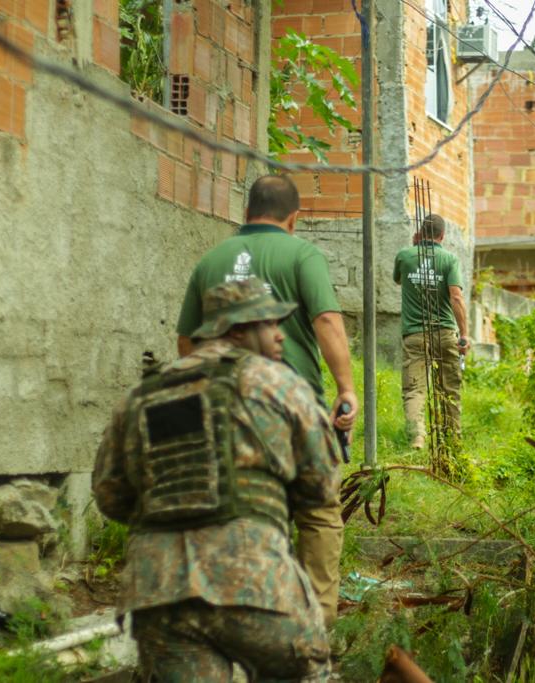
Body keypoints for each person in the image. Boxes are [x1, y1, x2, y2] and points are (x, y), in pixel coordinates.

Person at [93, 278, 340, 682]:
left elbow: (110, 496)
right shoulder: (277, 384)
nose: (280, 335)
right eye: (269, 323)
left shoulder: (140, 396)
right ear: (238, 330)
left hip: (160, 592)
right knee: (304, 672)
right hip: (256, 584)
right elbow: (322, 487)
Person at [175, 174, 353, 625]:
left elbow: (186, 341)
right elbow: (327, 321)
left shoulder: (211, 259)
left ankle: (244, 612)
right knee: (317, 511)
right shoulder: (302, 255)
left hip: (227, 410)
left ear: (247, 211)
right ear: (294, 218)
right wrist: (346, 388)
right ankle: (315, 621)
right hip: (294, 407)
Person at [392, 213, 470, 449]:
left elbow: (399, 280)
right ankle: (452, 439)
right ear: (442, 236)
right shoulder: (450, 260)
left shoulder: (404, 256)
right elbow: (456, 297)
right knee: (449, 389)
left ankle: (417, 437)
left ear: (419, 233)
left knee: (414, 389)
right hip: (444, 333)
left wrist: (415, 250)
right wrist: (464, 334)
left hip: (414, 334)